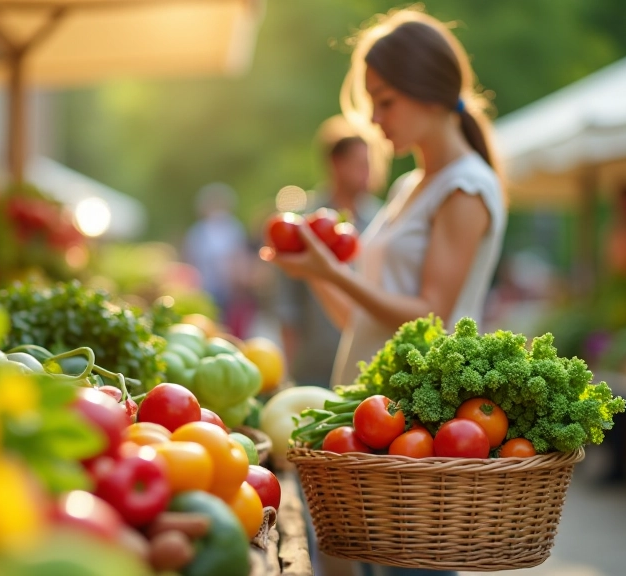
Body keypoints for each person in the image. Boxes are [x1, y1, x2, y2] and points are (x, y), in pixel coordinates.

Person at [264, 9, 507, 576]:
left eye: (386, 100)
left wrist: (332, 271)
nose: (374, 119)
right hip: (378, 414)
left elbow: (429, 314)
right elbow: (363, 318)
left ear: (431, 92)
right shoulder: (409, 186)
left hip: (417, 423)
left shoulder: (465, 188)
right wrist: (317, 272)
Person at [276, 119, 381, 388]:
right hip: (314, 367)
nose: (368, 173)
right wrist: (287, 372)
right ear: (336, 164)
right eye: (360, 165)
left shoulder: (382, 221)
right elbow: (288, 307)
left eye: (369, 165)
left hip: (369, 364)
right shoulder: (303, 225)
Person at [182, 182, 249, 326]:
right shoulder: (198, 231)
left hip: (229, 287)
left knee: (229, 321)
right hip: (205, 286)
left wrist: (240, 279)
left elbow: (239, 256)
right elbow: (191, 259)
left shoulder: (233, 228)